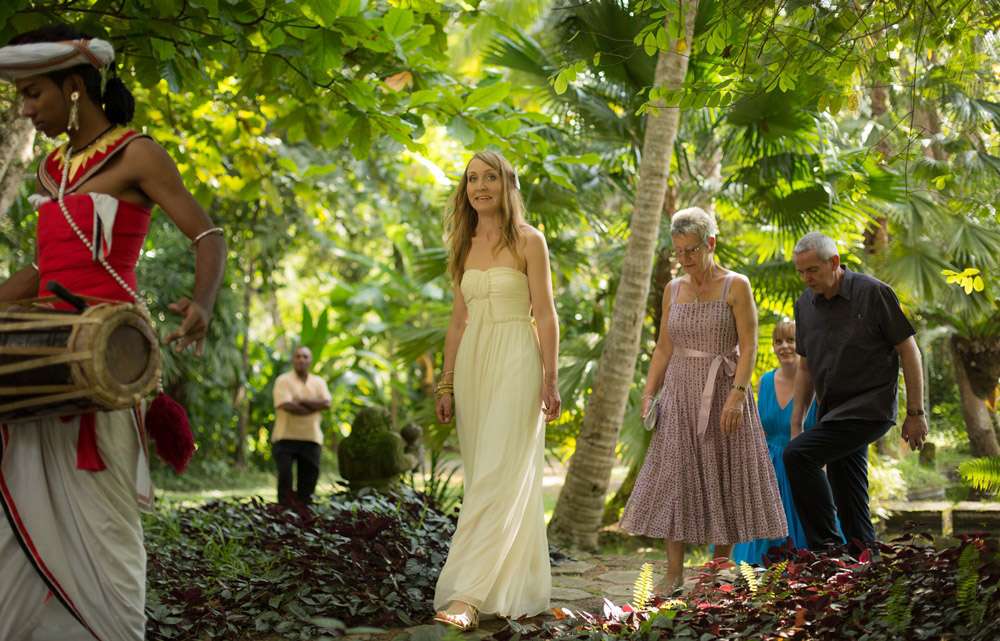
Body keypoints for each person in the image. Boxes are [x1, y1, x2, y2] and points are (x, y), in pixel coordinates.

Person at [0, 26, 225, 641]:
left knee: (104, 519)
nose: (26, 109)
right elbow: (44, 270)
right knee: (22, 509)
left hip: (110, 354)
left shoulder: (138, 154)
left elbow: (208, 235)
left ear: (74, 87)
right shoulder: (50, 170)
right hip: (45, 353)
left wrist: (203, 303)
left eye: (33, 94)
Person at [620, 206, 787, 593]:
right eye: (678, 251)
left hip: (724, 391)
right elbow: (663, 348)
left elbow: (749, 346)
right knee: (674, 478)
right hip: (679, 394)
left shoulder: (736, 286)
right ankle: (673, 572)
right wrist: (649, 393)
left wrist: (737, 395)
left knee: (725, 475)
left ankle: (716, 570)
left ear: (710, 243)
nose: (684, 259)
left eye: (691, 250)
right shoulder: (673, 289)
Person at [432, 151, 560, 630]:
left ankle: (466, 595)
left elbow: (545, 314)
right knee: (484, 474)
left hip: (516, 360)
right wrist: (446, 382)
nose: (480, 186)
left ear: (508, 184)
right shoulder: (462, 244)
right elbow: (457, 321)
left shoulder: (530, 241)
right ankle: (513, 586)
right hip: (473, 365)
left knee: (496, 475)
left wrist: (550, 377)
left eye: (490, 177)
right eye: (472, 179)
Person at [784, 232, 927, 556]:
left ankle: (827, 550)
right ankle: (864, 562)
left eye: (812, 270)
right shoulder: (805, 305)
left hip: (869, 408)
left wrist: (915, 413)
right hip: (832, 413)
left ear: (834, 262)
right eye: (801, 272)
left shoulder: (873, 293)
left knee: (798, 456)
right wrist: (796, 424)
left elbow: (909, 350)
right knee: (849, 495)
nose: (806, 278)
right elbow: (805, 368)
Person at [731, 320, 846, 565]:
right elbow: (759, 429)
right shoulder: (765, 381)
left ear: (802, 344)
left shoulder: (817, 383)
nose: (784, 346)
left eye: (791, 340)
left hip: (805, 465)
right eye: (778, 341)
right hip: (769, 466)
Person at [271, 345, 331, 506]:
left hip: (311, 438)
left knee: (309, 481)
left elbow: (326, 403)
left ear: (310, 360)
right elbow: (286, 405)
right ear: (293, 360)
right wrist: (313, 407)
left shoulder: (318, 382)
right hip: (285, 438)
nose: (301, 360)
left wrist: (301, 401)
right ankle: (284, 512)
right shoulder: (283, 380)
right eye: (298, 356)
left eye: (305, 356)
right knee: (285, 478)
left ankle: (304, 512)